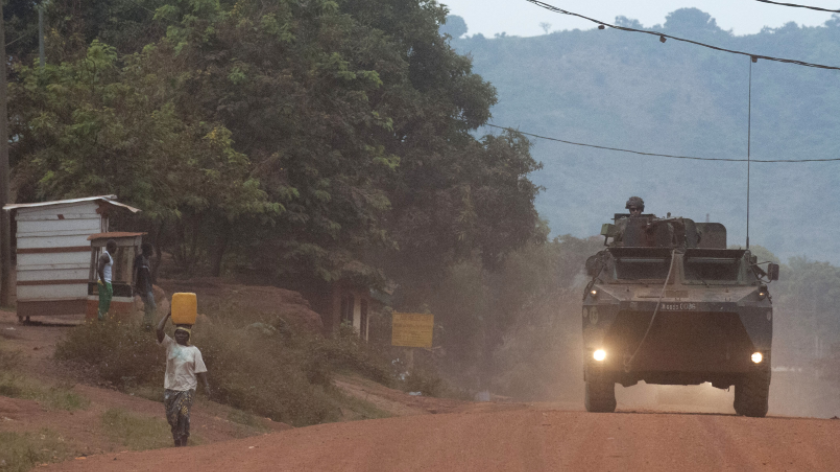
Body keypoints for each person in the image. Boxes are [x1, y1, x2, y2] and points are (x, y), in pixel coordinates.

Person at [156, 311, 211, 447]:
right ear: (175, 334)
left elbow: (200, 370)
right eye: (178, 333)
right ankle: (176, 439)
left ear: (188, 335)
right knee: (172, 416)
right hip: (171, 386)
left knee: (183, 414)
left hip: (187, 387)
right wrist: (168, 314)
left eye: (183, 333)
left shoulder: (194, 351)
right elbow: (158, 329)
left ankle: (184, 440)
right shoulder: (170, 345)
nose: (180, 335)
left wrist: (206, 386)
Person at [133, 243, 156, 329]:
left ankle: (147, 324)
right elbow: (137, 273)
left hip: (147, 287)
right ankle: (148, 324)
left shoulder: (146, 260)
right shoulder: (140, 259)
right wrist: (138, 287)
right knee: (152, 306)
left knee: (148, 306)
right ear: (147, 250)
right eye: (150, 249)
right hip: (144, 288)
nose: (152, 251)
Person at [97, 240, 117, 321]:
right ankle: (100, 318)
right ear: (111, 247)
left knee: (108, 300)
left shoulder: (109, 256)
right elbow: (99, 269)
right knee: (104, 300)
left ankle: (104, 316)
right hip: (104, 281)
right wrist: (103, 282)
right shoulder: (104, 256)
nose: (116, 249)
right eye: (115, 247)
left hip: (108, 281)